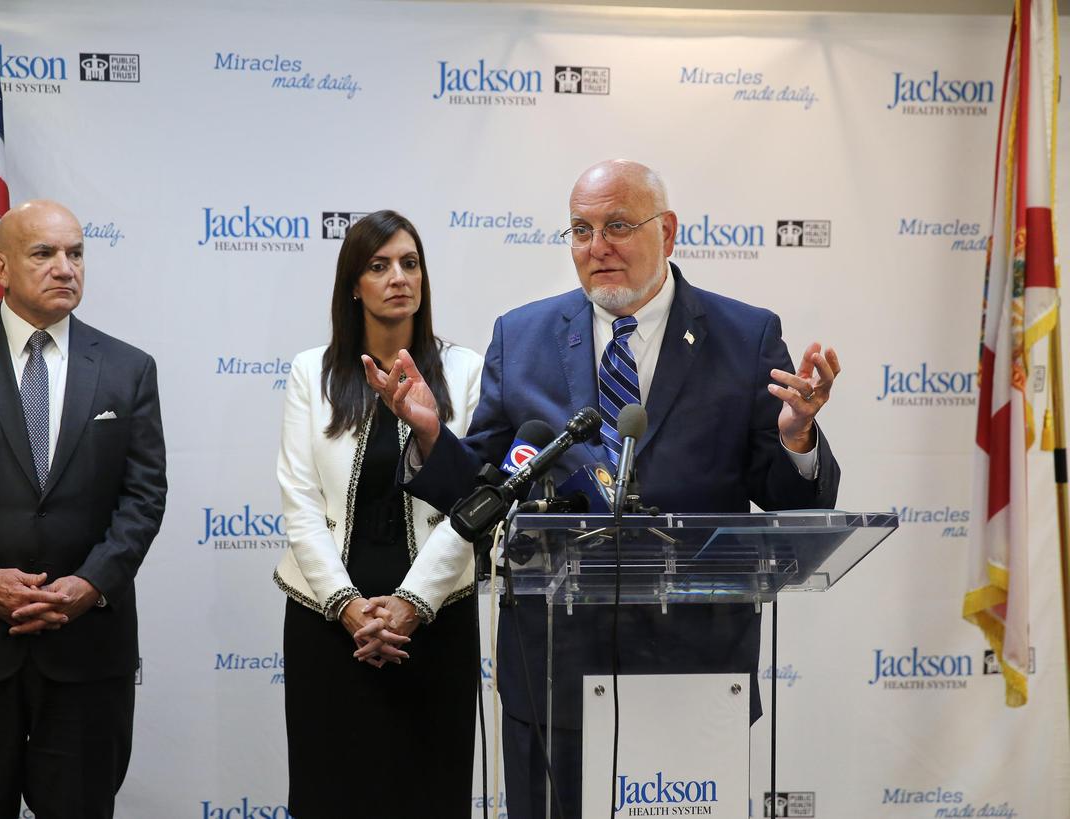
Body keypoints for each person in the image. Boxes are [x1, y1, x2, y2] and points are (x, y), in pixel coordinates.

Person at [364, 160, 841, 819]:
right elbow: (484, 486)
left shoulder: (746, 335)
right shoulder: (522, 335)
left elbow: (796, 502)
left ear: (668, 231)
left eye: (618, 224)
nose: (598, 247)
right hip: (552, 668)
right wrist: (428, 435)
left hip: (694, 665)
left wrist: (795, 436)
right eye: (581, 229)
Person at [0, 200, 168, 819]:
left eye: (75, 253)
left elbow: (144, 497)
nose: (64, 267)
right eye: (43, 253)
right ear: (1, 266)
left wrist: (90, 584)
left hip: (86, 645)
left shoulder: (128, 369)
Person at [273, 210, 484, 818]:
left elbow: (471, 504)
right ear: (353, 285)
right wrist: (347, 607)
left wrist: (413, 603)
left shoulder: (466, 370)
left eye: (410, 264)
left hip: (437, 620)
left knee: (429, 793)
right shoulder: (311, 371)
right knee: (330, 794)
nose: (399, 278)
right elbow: (301, 504)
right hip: (327, 621)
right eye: (379, 265)